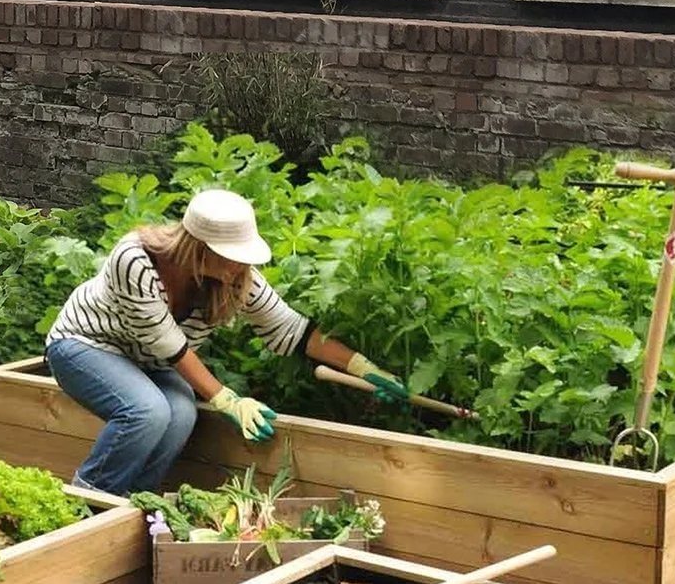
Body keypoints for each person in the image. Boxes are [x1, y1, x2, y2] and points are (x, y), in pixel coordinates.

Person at [44, 186, 408, 494]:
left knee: (182, 413)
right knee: (148, 412)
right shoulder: (135, 259)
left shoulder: (232, 279)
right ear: (198, 246)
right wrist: (226, 399)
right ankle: (87, 499)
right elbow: (166, 343)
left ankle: (137, 502)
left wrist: (363, 367)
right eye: (233, 256)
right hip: (85, 345)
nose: (240, 266)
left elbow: (292, 330)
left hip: (147, 365)